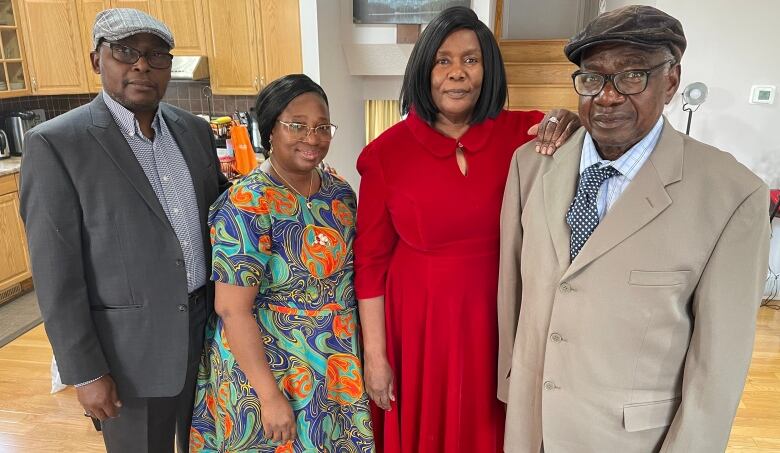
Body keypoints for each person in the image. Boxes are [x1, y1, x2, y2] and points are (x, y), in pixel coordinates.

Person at [497, 5, 770, 452]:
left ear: (672, 81)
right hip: (531, 425)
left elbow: (718, 367)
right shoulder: (532, 165)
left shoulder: (732, 196)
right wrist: (512, 383)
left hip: (632, 440)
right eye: (592, 78)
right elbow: (514, 290)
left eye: (632, 76)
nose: (607, 96)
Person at [353, 6, 579, 452]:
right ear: (424, 70)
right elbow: (371, 264)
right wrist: (376, 357)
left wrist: (571, 121)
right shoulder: (384, 155)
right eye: (443, 60)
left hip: (500, 320)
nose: (457, 73)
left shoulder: (527, 134)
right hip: (419, 330)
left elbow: (584, 149)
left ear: (487, 69)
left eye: (470, 60)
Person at [19, 8, 229, 453]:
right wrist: (86, 371)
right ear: (97, 60)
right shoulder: (58, 144)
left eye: (156, 56)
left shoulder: (192, 131)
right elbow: (57, 274)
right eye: (126, 51)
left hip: (208, 333)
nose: (141, 65)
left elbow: (223, 216)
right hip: (130, 353)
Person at [190, 74, 374, 452]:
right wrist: (269, 397)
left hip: (334, 363)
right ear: (270, 129)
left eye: (322, 127)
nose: (313, 137)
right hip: (271, 366)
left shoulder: (339, 193)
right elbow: (231, 309)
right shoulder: (247, 202)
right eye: (298, 126)